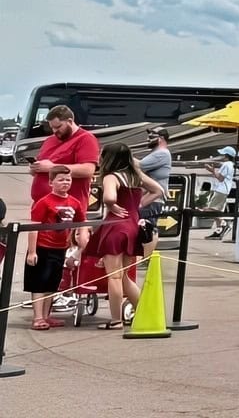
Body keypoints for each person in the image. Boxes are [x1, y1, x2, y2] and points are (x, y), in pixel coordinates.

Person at [84, 141, 165, 330]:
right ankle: (143, 311)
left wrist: (112, 205)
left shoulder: (111, 177)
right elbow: (158, 190)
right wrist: (138, 206)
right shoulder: (135, 175)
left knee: (113, 276)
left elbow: (109, 197)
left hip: (115, 226)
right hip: (132, 225)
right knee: (125, 276)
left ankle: (116, 320)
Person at [26, 165, 89, 331]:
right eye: (60, 180)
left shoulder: (74, 202)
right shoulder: (44, 202)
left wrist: (82, 235)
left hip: (60, 248)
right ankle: (38, 317)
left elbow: (82, 220)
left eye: (68, 180)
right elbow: (34, 228)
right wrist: (32, 252)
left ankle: (47, 315)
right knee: (39, 283)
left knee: (52, 284)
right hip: (42, 247)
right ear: (51, 182)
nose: (65, 183)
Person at [30, 105, 100, 210]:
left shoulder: (85, 139)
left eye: (58, 127)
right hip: (42, 206)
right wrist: (36, 168)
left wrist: (51, 167)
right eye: (52, 127)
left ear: (70, 121)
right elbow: (43, 166)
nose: (54, 131)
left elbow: (88, 170)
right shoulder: (49, 140)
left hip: (67, 208)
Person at [137, 127, 174, 256]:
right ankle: (144, 256)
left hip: (153, 198)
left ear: (161, 138)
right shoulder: (157, 153)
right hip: (150, 197)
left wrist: (123, 156)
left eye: (152, 135)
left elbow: (139, 165)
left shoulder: (162, 153)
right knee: (147, 226)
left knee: (147, 227)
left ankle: (145, 257)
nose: (148, 138)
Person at [205, 147, 238, 241]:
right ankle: (218, 231)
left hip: (221, 190)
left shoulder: (226, 165)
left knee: (211, 210)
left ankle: (223, 224)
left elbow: (220, 178)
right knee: (216, 211)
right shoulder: (231, 165)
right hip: (224, 190)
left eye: (223, 154)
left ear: (226, 156)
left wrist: (211, 170)